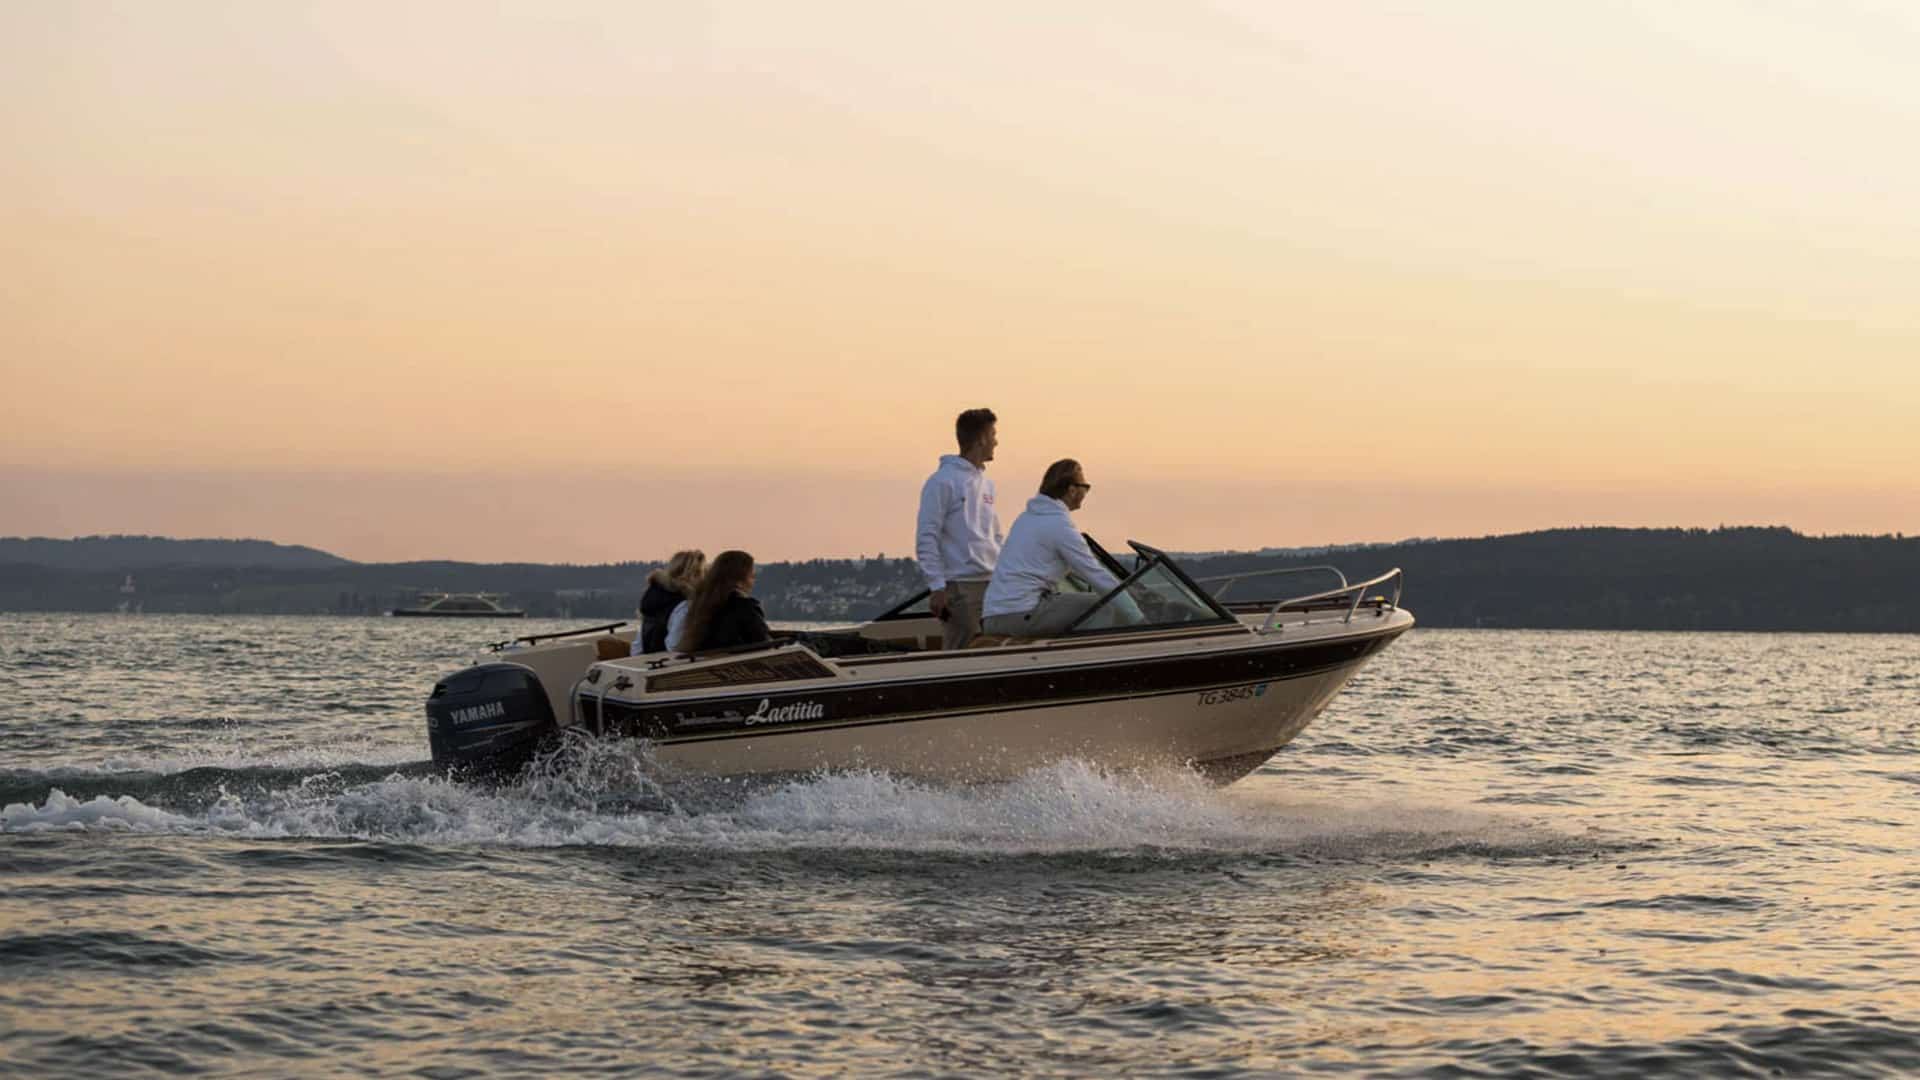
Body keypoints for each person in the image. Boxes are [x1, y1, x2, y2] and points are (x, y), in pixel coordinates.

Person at [982, 459, 1126, 638]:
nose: (1086, 492)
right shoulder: (1059, 525)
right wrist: (1136, 612)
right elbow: (1095, 574)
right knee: (1105, 606)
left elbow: (1077, 569)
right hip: (1019, 614)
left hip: (993, 616)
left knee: (1073, 604)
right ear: (1072, 490)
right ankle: (1086, 662)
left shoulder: (1027, 518)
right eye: (1085, 487)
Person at [915, 407, 1004, 649]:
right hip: (960, 586)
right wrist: (937, 586)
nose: (997, 441)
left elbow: (995, 535)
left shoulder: (987, 484)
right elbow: (927, 536)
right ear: (982, 439)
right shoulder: (941, 482)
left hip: (992, 582)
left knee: (991, 648)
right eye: (993, 435)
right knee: (961, 651)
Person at [674, 549, 771, 654]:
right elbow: (764, 644)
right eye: (752, 576)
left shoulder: (700, 604)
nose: (753, 582)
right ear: (741, 578)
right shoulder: (745, 607)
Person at [633, 549, 705, 655]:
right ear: (692, 575)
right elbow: (675, 646)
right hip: (668, 666)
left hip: (647, 662)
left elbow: (637, 648)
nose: (703, 579)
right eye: (701, 573)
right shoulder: (683, 606)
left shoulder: (654, 599)